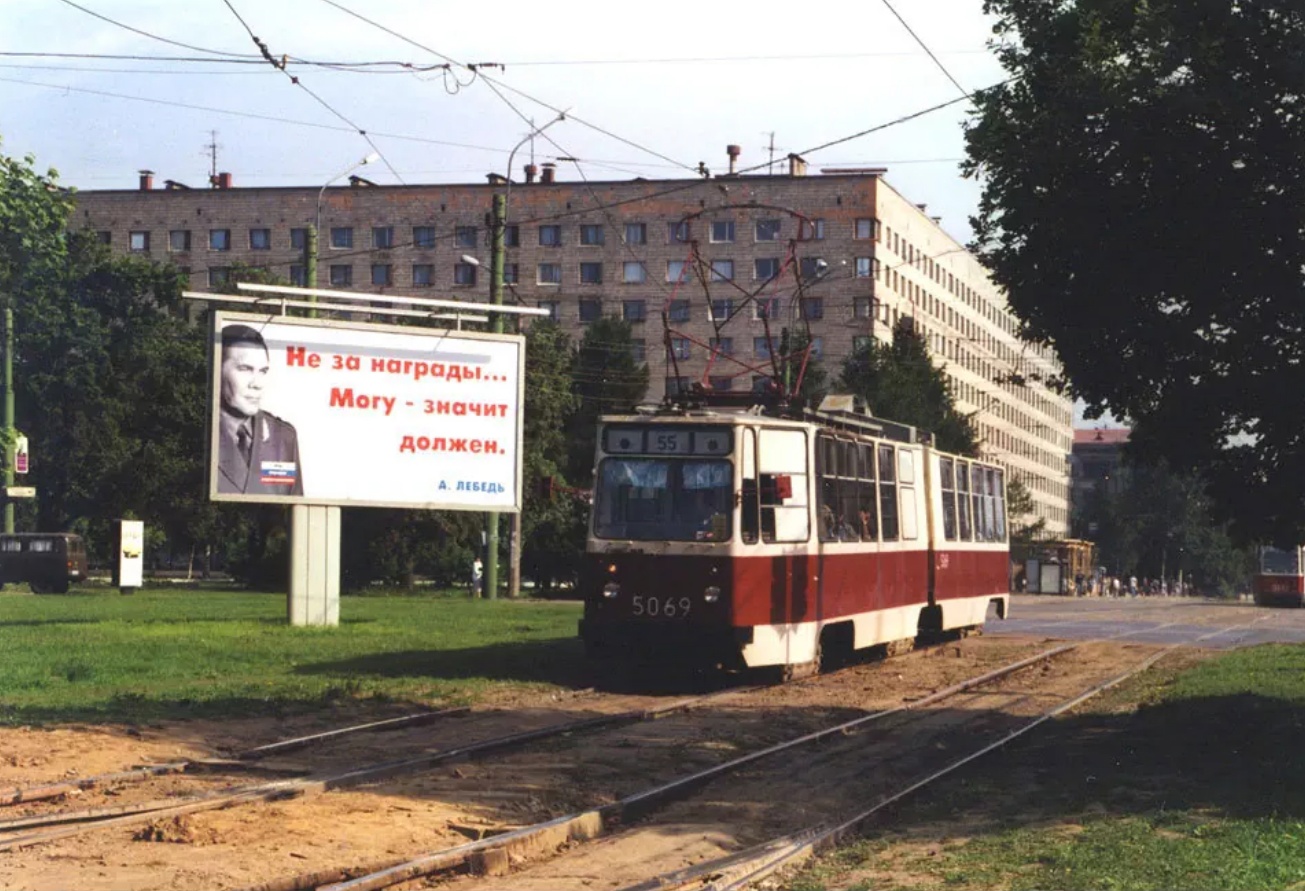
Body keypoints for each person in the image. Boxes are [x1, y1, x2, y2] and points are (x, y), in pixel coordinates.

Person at [216, 324, 304, 496]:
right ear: (217, 370)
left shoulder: (283, 436)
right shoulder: (201, 430)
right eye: (245, 369)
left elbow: (295, 512)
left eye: (263, 371)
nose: (257, 384)